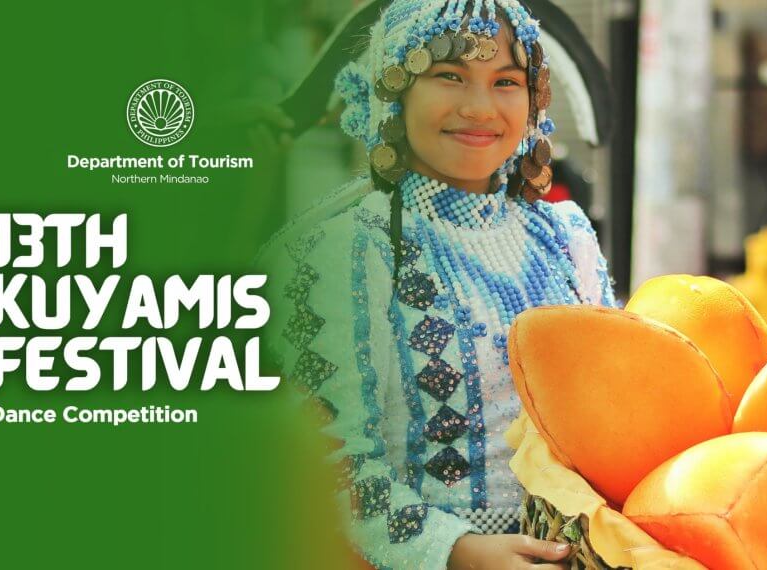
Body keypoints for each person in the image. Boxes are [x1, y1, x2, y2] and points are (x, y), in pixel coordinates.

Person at [260, 1, 616, 568]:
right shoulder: (346, 249)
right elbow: (327, 459)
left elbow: (617, 413)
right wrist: (455, 551)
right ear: (395, 90)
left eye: (506, 82)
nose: (479, 107)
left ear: (534, 102)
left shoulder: (566, 235)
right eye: (449, 76)